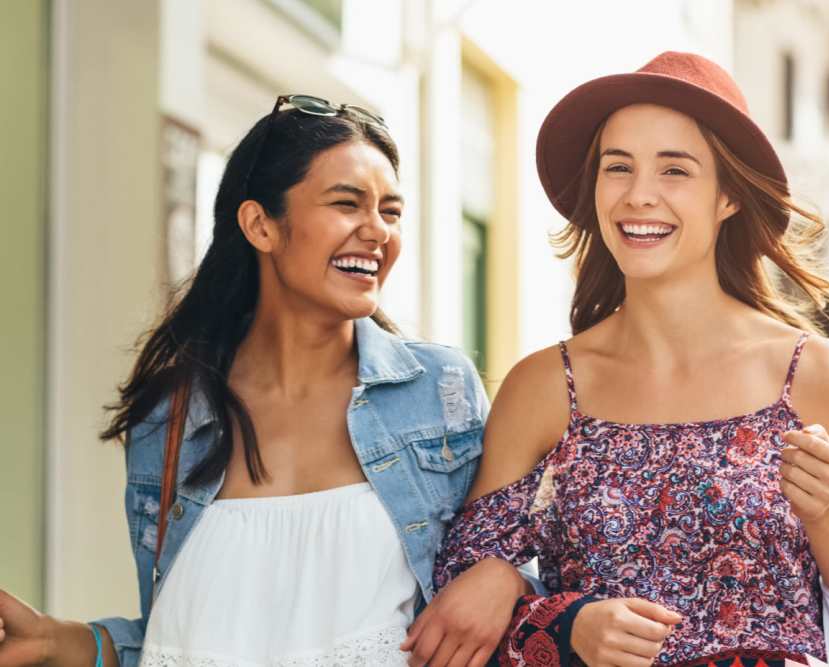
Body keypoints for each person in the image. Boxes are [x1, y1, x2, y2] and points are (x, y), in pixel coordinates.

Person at [0, 95, 528, 667]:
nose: (377, 231)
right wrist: (61, 643)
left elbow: (500, 589)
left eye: (391, 211)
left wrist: (506, 577)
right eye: (347, 203)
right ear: (260, 225)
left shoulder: (438, 392)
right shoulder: (173, 414)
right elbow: (184, 637)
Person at [434, 52, 829, 667]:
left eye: (674, 170)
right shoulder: (544, 386)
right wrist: (566, 626)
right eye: (616, 167)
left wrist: (826, 513)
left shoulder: (819, 374)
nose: (639, 195)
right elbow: (457, 609)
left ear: (729, 195)